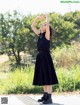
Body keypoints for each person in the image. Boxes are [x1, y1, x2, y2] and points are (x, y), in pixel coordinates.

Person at [31, 14, 58, 104]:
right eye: (42, 24)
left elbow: (47, 25)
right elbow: (32, 26)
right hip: (40, 57)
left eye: (44, 25)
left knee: (48, 78)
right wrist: (37, 18)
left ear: (47, 28)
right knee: (43, 77)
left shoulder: (47, 35)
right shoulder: (40, 35)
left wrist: (47, 16)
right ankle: (45, 95)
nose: (42, 25)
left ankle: (49, 98)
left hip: (46, 57)